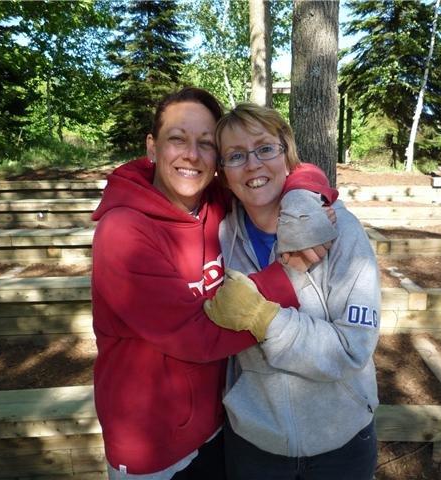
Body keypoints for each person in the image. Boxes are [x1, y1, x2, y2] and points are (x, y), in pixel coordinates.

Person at [91, 87, 337, 479]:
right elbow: (195, 336)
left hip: (221, 423)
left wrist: (307, 198)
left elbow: (289, 169)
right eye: (177, 139)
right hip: (154, 446)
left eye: (206, 143)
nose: (192, 154)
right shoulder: (123, 232)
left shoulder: (214, 200)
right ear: (152, 147)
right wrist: (286, 274)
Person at [204, 103, 381, 480]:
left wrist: (266, 320)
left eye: (265, 148)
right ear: (223, 172)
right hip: (255, 444)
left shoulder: (341, 230)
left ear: (286, 153)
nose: (252, 164)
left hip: (341, 441)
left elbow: (353, 348)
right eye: (236, 155)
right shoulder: (220, 234)